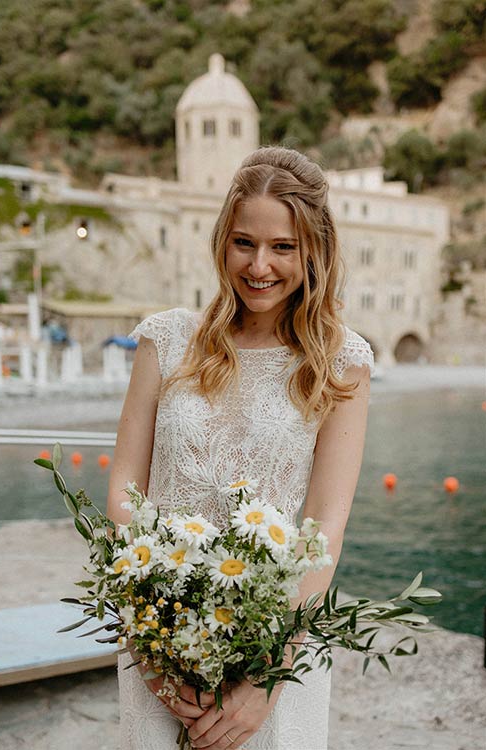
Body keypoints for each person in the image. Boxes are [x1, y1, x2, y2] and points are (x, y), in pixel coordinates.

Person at [107, 145, 374, 750]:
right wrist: (152, 641)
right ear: (221, 242)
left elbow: (325, 526)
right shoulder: (166, 341)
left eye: (283, 247)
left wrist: (267, 677)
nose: (260, 265)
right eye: (243, 242)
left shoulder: (340, 363)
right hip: (158, 639)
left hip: (277, 648)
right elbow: (126, 493)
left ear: (315, 252)